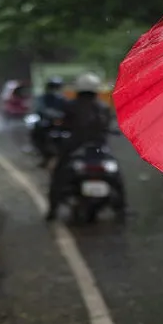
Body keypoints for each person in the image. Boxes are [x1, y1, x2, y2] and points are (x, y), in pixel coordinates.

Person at [44, 73, 118, 221]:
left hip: (74, 147)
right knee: (116, 176)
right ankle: (122, 208)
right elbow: (109, 125)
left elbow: (61, 124)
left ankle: (53, 210)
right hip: (99, 148)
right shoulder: (102, 107)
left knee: (58, 176)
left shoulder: (70, 105)